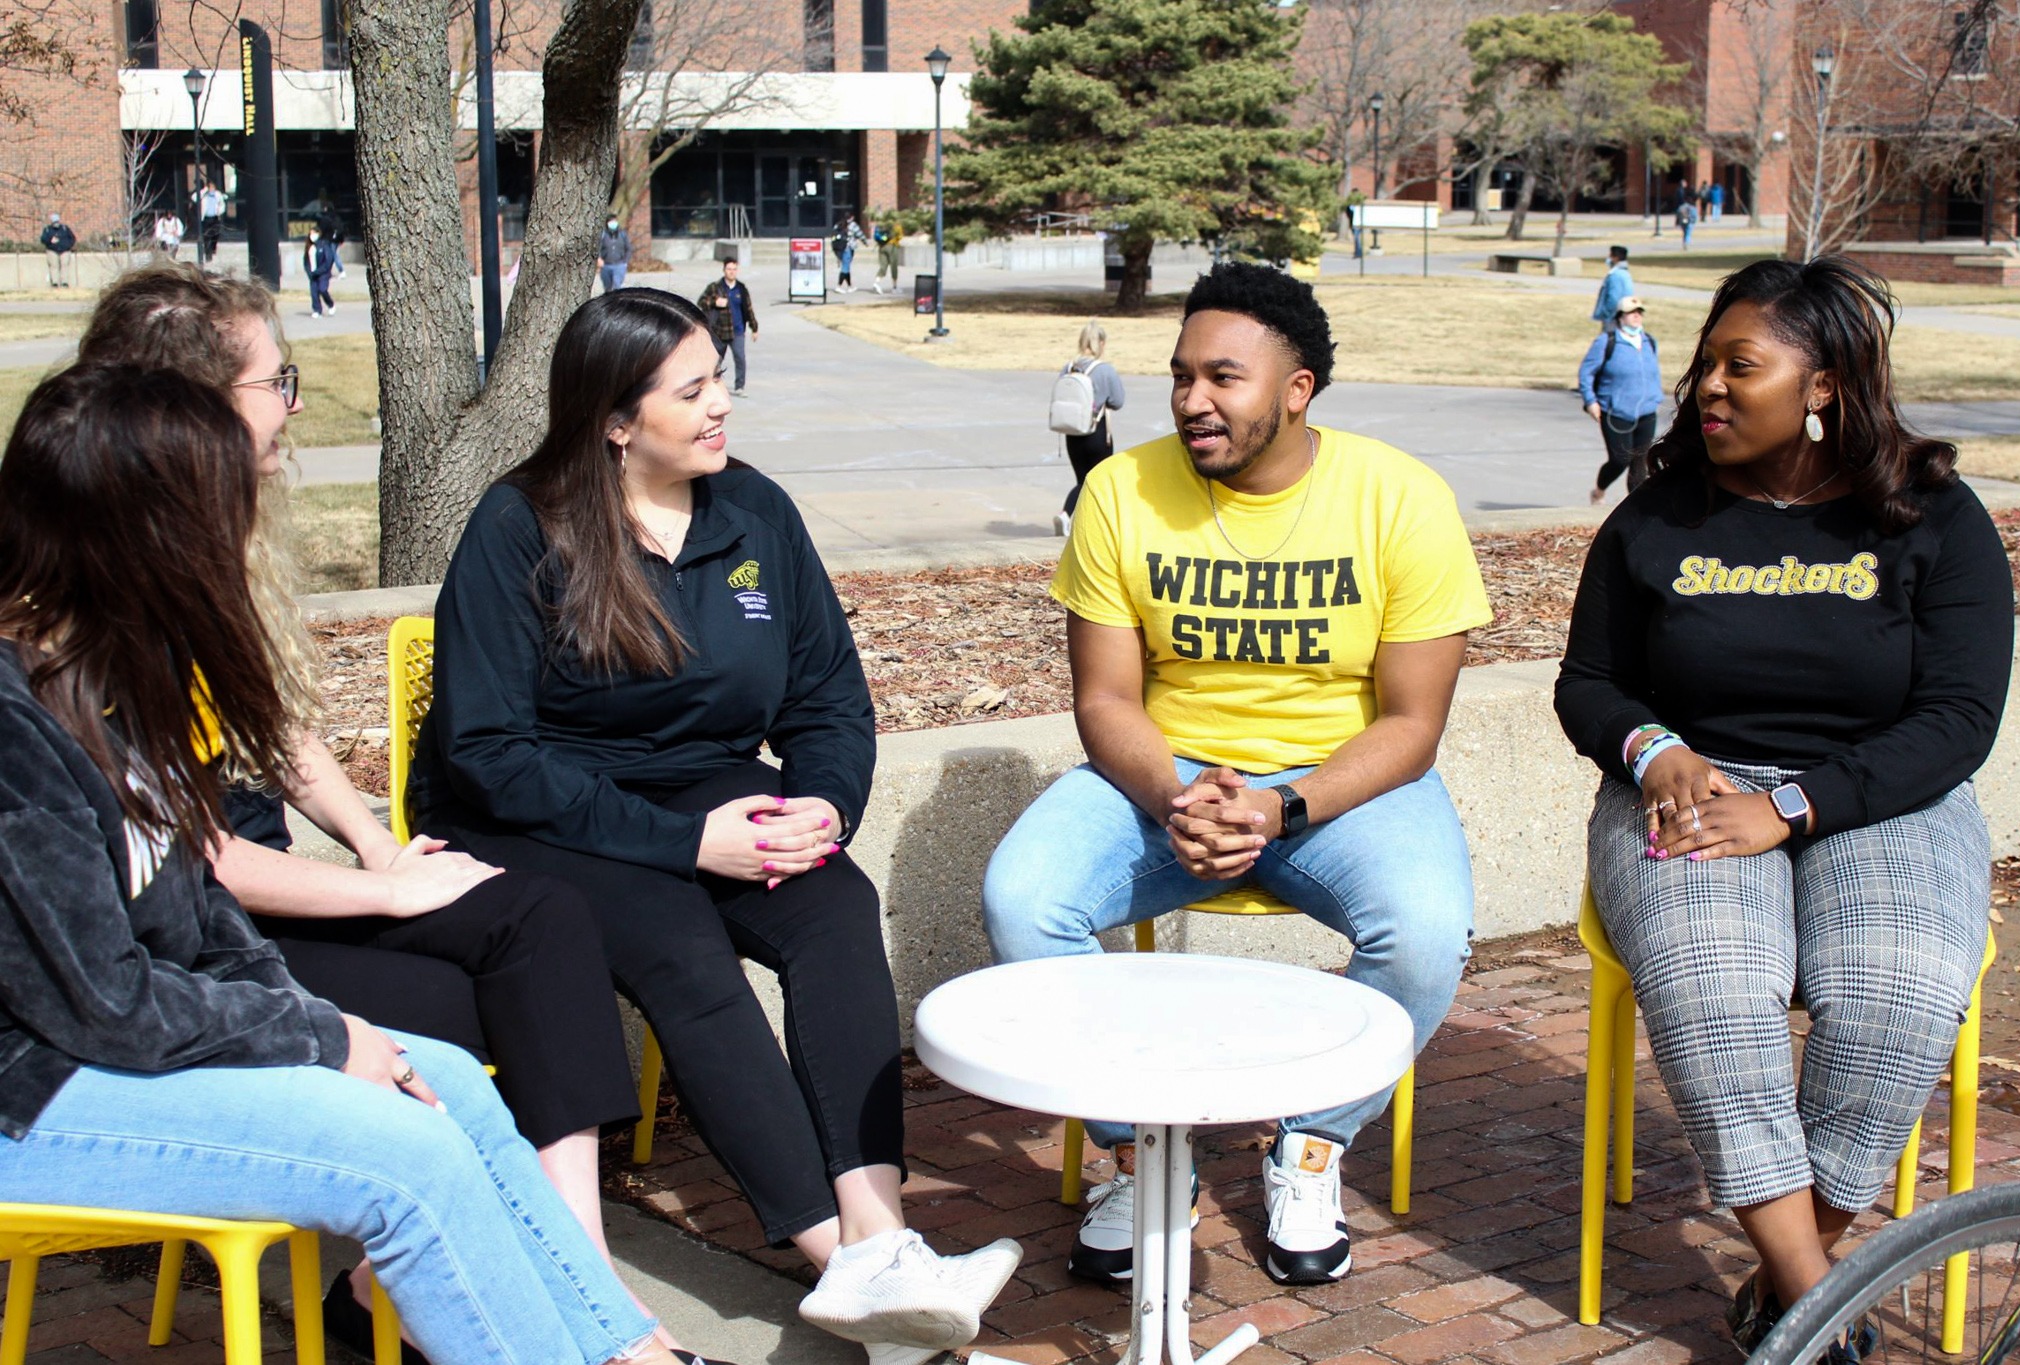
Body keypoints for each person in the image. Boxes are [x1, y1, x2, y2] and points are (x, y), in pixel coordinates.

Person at [0, 361, 727, 1365]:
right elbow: (102, 1005)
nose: (242, 534)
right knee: (405, 1160)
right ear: (140, 532)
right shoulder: (15, 724)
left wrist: (326, 1030)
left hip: (116, 1053)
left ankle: (620, 1349)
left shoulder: (116, 680)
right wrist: (316, 1035)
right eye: (224, 506)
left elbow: (203, 922)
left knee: (451, 1090)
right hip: (34, 1094)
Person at [408, 289, 1021, 1365]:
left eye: (718, 379)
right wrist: (687, 846)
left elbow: (828, 698)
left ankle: (881, 1238)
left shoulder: (753, 512)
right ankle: (840, 1258)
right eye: (690, 391)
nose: (719, 406)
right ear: (612, 419)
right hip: (537, 812)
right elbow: (488, 751)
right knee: (681, 945)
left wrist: (820, 807)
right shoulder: (519, 525)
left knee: (835, 905)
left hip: (704, 785)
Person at [982, 262, 1492, 1289]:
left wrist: (1279, 804)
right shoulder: (1120, 493)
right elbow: (1104, 703)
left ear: (1295, 390)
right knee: (1020, 899)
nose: (1190, 402)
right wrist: (1178, 795)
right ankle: (1142, 1153)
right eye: (1179, 377)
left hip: (1336, 789)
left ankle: (1308, 1144)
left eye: (1223, 377)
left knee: (1428, 936)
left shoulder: (1399, 498)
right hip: (1161, 778)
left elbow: (1411, 725)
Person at [1553, 256, 2013, 1355]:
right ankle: (1815, 1310)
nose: (1705, 385)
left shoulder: (1932, 520)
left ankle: (1787, 1297)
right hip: (1688, 789)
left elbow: (1956, 720)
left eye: (1737, 365)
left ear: (1822, 388)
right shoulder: (1654, 518)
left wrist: (1794, 806)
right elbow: (1587, 685)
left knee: (1896, 993)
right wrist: (1651, 747)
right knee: (1715, 991)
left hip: (1882, 797)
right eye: (1704, 362)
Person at [1579, 295, 1661, 504]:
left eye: (1639, 313)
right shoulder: (1606, 342)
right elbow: (1586, 372)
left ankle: (1634, 508)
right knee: (1619, 460)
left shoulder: (1649, 340)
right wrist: (1590, 401)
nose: (1636, 317)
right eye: (1631, 313)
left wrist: (1654, 398)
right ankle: (1599, 490)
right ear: (1620, 317)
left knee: (1639, 462)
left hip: (1646, 412)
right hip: (1615, 411)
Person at [1052, 319, 1127, 537]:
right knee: (1098, 481)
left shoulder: (1068, 367)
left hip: (1072, 432)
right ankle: (1072, 517)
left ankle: (1073, 518)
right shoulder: (1105, 370)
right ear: (1101, 343)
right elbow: (1118, 401)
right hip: (1098, 433)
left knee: (1082, 480)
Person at [696, 257, 758, 396]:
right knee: (715, 360)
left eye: (734, 269)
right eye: (729, 269)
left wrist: (754, 328)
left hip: (738, 331)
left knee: (740, 358)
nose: (731, 272)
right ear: (724, 270)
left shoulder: (741, 289)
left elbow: (748, 309)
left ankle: (739, 386)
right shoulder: (715, 287)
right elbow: (701, 301)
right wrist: (714, 301)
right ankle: (710, 384)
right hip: (720, 331)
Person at [1591, 245, 1635, 332]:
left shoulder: (1616, 275)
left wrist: (1606, 314)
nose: (1608, 259)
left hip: (1613, 318)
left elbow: (1614, 299)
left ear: (1615, 258)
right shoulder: (1625, 273)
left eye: (1610, 256)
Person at [304, 226, 337, 318]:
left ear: (318, 234)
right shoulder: (309, 247)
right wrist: (309, 271)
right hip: (313, 274)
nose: (311, 236)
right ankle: (317, 310)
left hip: (323, 273)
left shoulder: (324, 245)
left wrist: (320, 270)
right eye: (310, 234)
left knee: (322, 289)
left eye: (313, 233)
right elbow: (306, 261)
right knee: (314, 292)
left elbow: (329, 259)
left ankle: (330, 304)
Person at [831, 213, 866, 293]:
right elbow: (860, 234)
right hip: (848, 248)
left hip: (839, 248)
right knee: (845, 268)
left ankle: (850, 286)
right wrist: (865, 242)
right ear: (852, 217)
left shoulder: (838, 224)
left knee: (846, 267)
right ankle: (838, 286)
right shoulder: (853, 225)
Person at [39, 212, 74, 287]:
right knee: (54, 266)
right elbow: (43, 239)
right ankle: (55, 282)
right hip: (52, 250)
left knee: (64, 266)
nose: (56, 223)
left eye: (57, 221)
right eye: (54, 222)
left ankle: (65, 282)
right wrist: (50, 240)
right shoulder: (47, 229)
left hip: (65, 250)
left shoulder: (65, 228)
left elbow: (72, 238)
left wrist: (68, 246)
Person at [195, 179, 225, 263]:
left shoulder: (217, 194)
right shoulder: (203, 194)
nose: (212, 189)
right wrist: (204, 191)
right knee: (207, 236)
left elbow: (222, 204)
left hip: (215, 217)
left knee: (215, 234)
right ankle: (208, 255)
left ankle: (213, 248)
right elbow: (194, 198)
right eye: (210, 187)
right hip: (206, 218)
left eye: (213, 187)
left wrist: (220, 211)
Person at [599, 214, 631, 293]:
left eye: (614, 221)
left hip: (619, 265)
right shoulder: (603, 235)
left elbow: (628, 248)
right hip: (606, 265)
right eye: (610, 222)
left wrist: (625, 261)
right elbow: (598, 249)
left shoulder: (622, 234)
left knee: (617, 286)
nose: (613, 223)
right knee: (607, 288)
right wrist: (599, 259)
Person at [871, 216, 902, 294]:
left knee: (883, 266)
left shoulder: (881, 226)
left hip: (881, 247)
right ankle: (894, 287)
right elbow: (900, 236)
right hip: (892, 247)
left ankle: (876, 283)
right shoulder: (896, 226)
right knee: (893, 266)